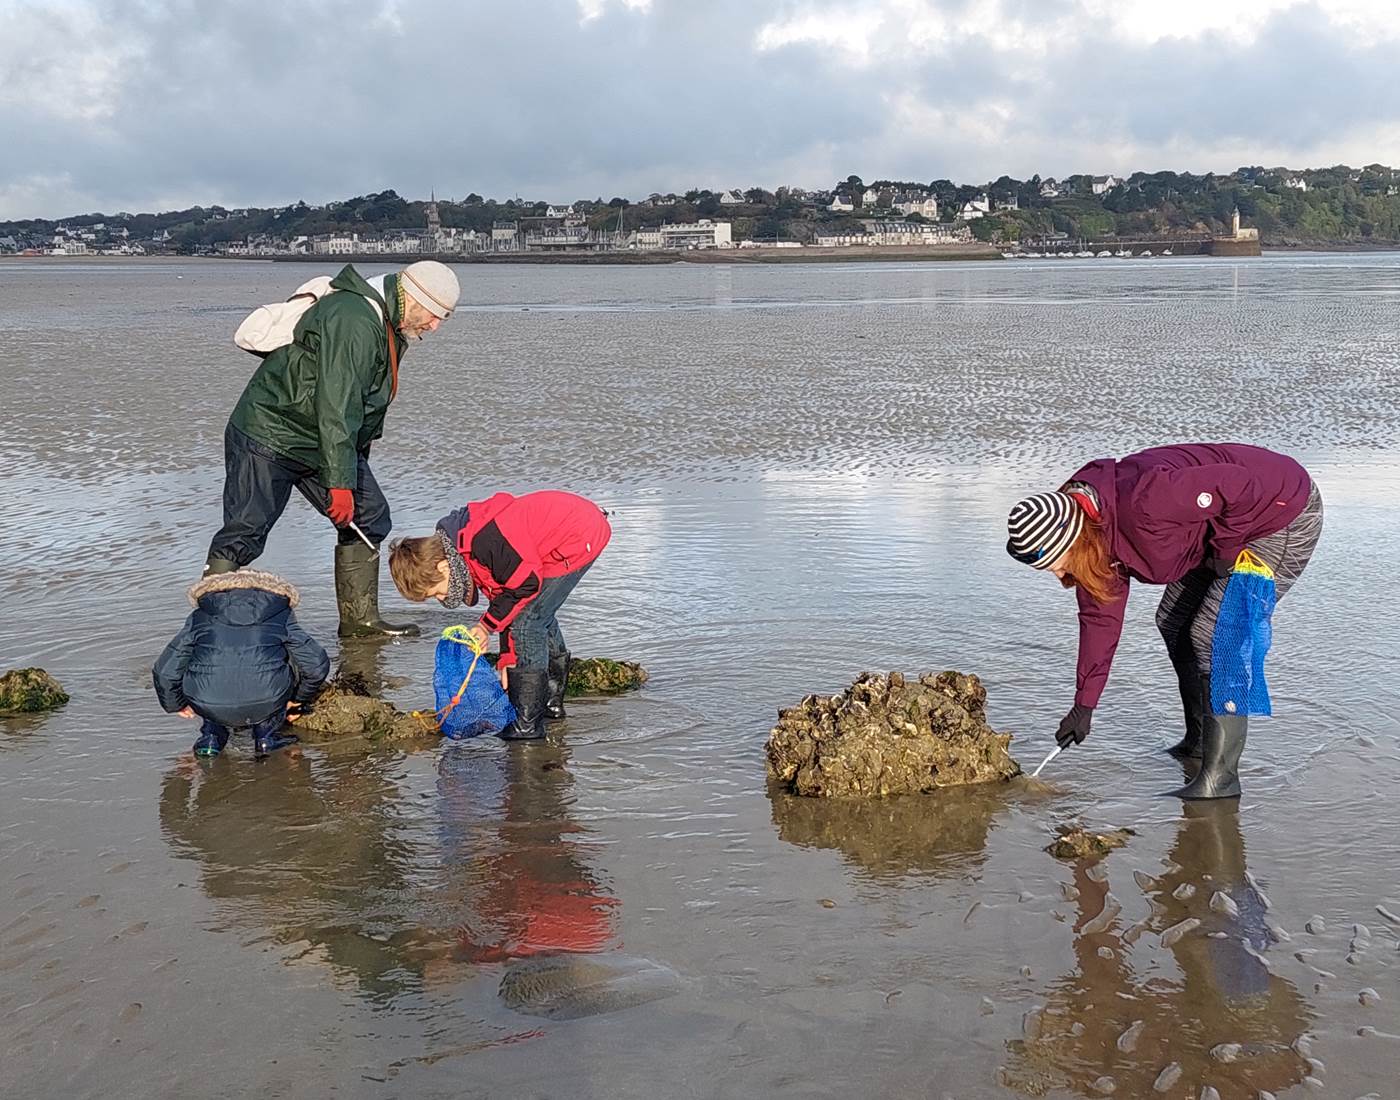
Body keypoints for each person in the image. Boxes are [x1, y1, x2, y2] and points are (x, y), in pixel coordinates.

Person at [1006, 443, 1323, 799]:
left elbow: (1237, 483)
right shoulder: (1093, 532)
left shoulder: (1147, 500)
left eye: (1059, 564)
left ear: (1075, 541)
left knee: (1213, 636)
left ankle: (1221, 779)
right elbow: (1100, 619)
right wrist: (1084, 704)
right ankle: (1199, 742)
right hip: (1221, 527)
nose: (1060, 575)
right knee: (1173, 620)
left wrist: (1225, 549)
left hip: (1278, 513)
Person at [204, 260, 461, 638]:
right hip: (269, 432)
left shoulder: (387, 323)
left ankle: (360, 624)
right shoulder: (355, 317)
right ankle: (208, 628)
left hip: (319, 441)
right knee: (246, 529)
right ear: (413, 298)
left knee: (369, 518)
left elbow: (358, 411)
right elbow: (337, 404)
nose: (435, 326)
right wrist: (340, 484)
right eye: (436, 315)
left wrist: (349, 471)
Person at [387, 490, 612, 740]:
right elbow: (506, 598)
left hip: (577, 533)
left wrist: (485, 627)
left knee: (530, 622)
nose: (441, 600)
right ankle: (550, 703)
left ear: (442, 567)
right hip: (557, 538)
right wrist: (507, 659)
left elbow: (525, 585)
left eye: (436, 593)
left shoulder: (485, 543)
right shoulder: (462, 551)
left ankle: (528, 724)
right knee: (536, 613)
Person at [153, 570, 330, 758]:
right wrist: (298, 698)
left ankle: (211, 738)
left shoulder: (200, 616)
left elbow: (165, 671)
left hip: (207, 701)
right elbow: (316, 665)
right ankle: (265, 738)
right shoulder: (280, 613)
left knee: (201, 664)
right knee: (287, 659)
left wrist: (176, 704)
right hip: (267, 699)